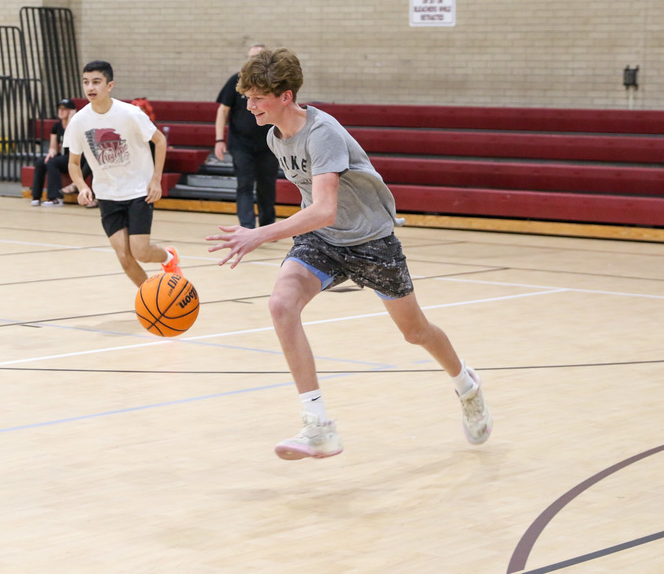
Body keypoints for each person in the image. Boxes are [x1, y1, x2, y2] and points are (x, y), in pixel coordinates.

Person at [206, 48, 492, 460]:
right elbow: (318, 213)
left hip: (370, 240)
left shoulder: (322, 133)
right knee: (281, 305)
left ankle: (467, 385)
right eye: (246, 97)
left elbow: (324, 207)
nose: (248, 106)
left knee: (415, 332)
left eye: (256, 98)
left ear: (285, 96)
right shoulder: (274, 135)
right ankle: (318, 425)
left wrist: (260, 234)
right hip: (323, 241)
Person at [64, 60, 181, 287]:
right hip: (108, 195)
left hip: (138, 191)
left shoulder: (130, 113)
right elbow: (73, 163)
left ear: (110, 85)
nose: (90, 88)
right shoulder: (78, 121)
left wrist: (156, 179)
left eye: (96, 82)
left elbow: (160, 140)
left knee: (141, 252)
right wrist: (82, 186)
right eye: (86, 82)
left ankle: (169, 257)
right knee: (124, 258)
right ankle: (151, 301)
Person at [214, 43, 277, 229]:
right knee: (245, 184)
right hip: (241, 144)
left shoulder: (274, 83)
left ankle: (267, 225)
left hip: (269, 144)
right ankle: (247, 227)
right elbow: (222, 110)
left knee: (267, 185)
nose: (252, 61)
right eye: (250, 57)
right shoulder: (236, 81)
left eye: (257, 57)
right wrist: (219, 140)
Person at [31, 98, 95, 208]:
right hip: (63, 158)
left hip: (78, 159)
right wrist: (51, 151)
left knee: (52, 163)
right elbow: (53, 147)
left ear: (72, 111)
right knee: (41, 162)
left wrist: (72, 121)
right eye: (60, 109)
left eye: (64, 109)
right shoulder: (56, 126)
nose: (61, 111)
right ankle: (36, 197)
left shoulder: (77, 125)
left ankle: (56, 198)